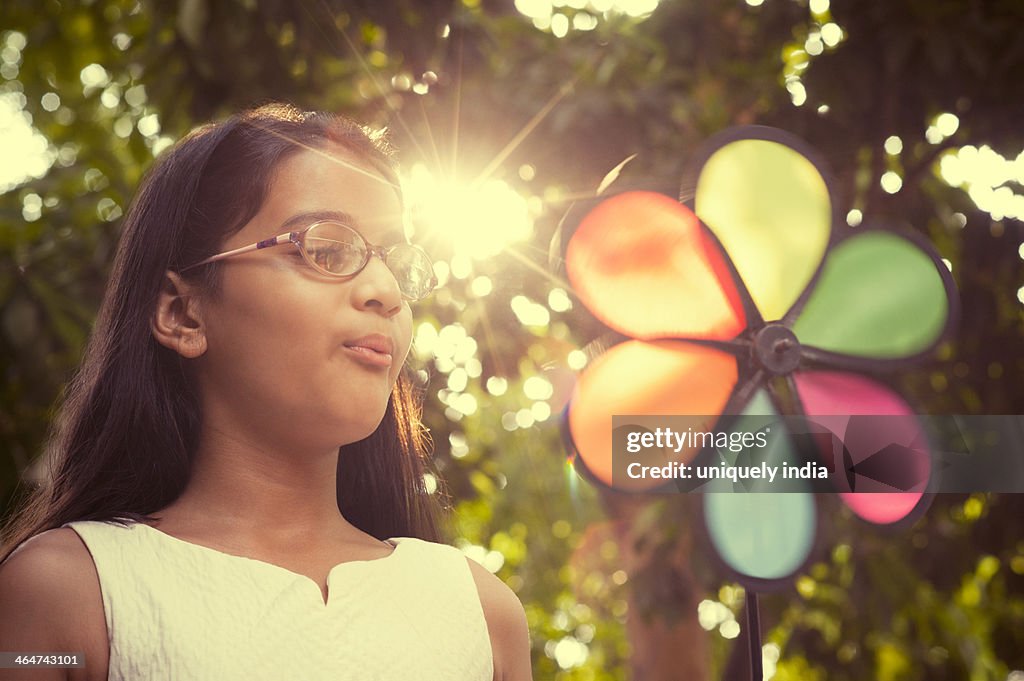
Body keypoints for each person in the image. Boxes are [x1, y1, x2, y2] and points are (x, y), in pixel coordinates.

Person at [0, 103, 533, 681]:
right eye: (325, 249)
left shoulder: (481, 614)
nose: (386, 292)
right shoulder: (64, 595)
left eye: (398, 265)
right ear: (183, 314)